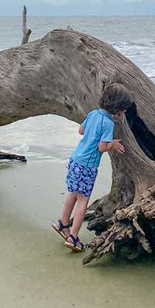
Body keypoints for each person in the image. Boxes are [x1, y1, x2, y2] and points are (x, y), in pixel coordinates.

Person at [52, 83, 133, 252]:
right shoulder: (108, 124)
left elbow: (81, 131)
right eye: (124, 109)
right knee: (83, 201)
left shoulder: (93, 114)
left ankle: (63, 224)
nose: (124, 112)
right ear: (117, 107)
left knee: (72, 194)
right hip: (88, 166)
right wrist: (113, 144)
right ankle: (73, 237)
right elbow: (102, 147)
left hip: (76, 160)